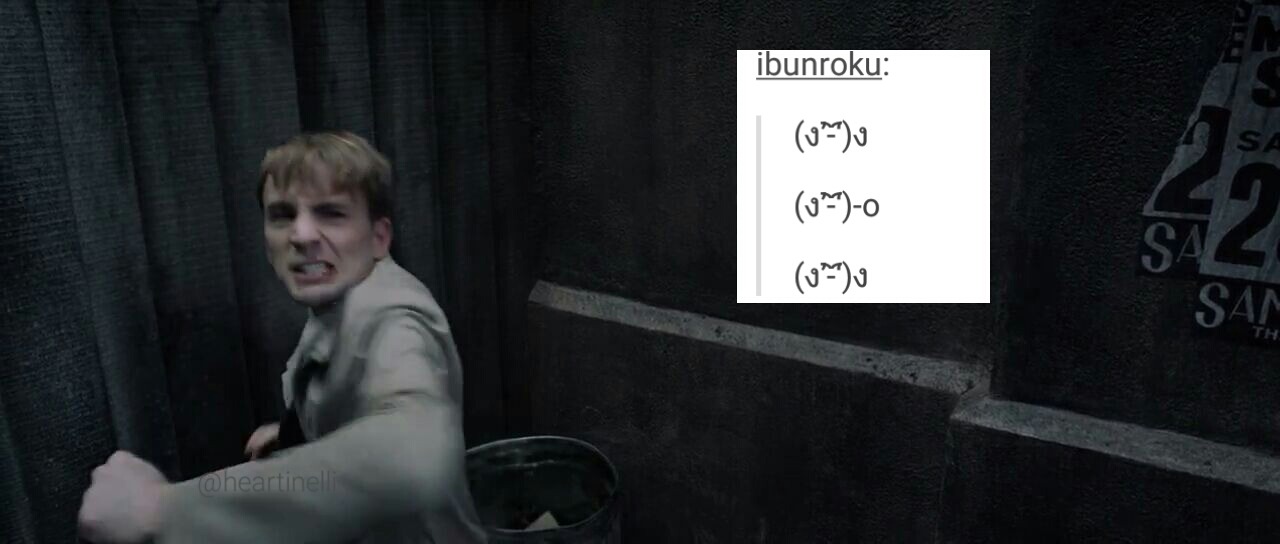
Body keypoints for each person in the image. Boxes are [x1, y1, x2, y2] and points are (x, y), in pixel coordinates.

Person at [76, 131, 488, 543]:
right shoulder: (340, 295)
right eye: (282, 215)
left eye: (331, 213)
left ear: (379, 237)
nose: (302, 235)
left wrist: (161, 508)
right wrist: (297, 432)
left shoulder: (396, 318)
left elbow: (415, 454)